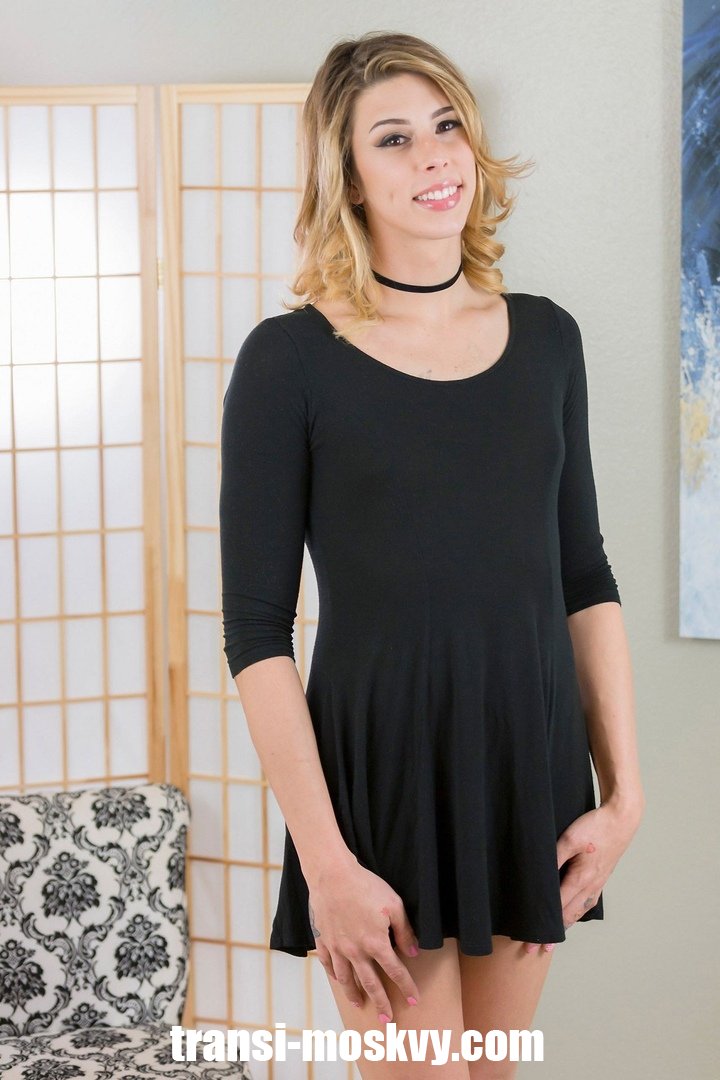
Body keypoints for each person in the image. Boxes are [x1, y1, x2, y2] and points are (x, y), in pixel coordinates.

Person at [220, 31, 645, 1079]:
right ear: (348, 174)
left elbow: (583, 576)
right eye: (395, 138)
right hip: (379, 794)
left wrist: (623, 797)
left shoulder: (548, 340)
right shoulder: (289, 361)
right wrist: (327, 864)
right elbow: (257, 633)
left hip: (527, 774)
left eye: (447, 125)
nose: (434, 156)